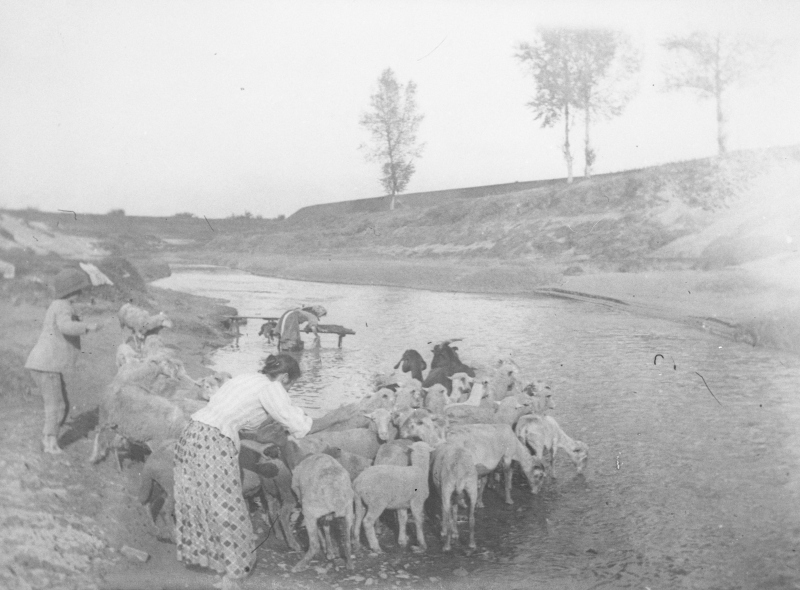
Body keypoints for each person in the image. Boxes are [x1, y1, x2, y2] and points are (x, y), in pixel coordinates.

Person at [173, 353, 313, 590]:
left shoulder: (245, 378)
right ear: (285, 377)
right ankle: (234, 576)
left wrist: (258, 440)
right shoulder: (272, 387)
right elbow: (299, 424)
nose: (289, 390)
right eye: (291, 385)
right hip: (213, 442)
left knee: (201, 503)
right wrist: (332, 419)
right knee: (228, 508)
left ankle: (214, 564)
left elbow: (233, 418)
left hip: (192, 435)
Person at [25, 268, 101, 454]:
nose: (81, 293)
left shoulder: (58, 304)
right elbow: (65, 326)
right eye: (79, 290)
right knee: (57, 406)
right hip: (47, 365)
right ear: (71, 290)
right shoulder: (63, 306)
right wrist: (87, 327)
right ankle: (49, 442)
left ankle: (49, 436)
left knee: (60, 403)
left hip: (43, 364)